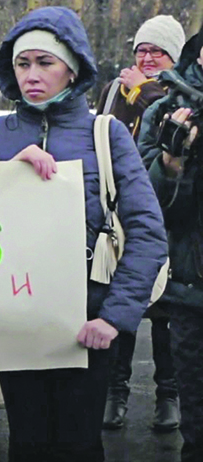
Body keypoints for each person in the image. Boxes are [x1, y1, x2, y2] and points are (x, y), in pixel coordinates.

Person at [0, 6, 168, 461]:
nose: (31, 75)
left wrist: (113, 318)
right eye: (22, 63)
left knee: (79, 444)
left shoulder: (106, 135)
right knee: (27, 442)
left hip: (88, 326)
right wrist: (4, 176)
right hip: (15, 321)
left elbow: (148, 233)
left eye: (45, 62)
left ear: (72, 69)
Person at [96, 14, 185, 432]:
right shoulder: (114, 89)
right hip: (120, 210)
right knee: (124, 299)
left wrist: (143, 89)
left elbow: (171, 125)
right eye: (141, 50)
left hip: (168, 210)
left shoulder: (181, 91)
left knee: (166, 309)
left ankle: (169, 395)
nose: (147, 58)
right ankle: (115, 392)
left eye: (158, 51)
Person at [138, 24, 203, 462]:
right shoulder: (166, 111)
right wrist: (171, 161)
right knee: (196, 417)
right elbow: (149, 203)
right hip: (192, 288)